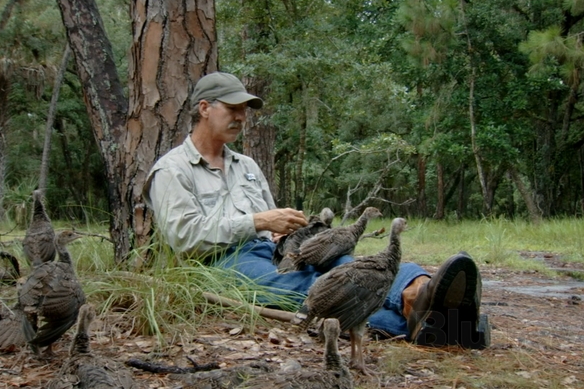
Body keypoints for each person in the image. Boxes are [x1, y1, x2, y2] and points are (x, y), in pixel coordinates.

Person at [143, 72, 489, 348]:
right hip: (220, 263)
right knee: (314, 288)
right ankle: (446, 323)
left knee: (352, 267)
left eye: (244, 110)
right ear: (204, 108)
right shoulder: (173, 170)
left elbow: (268, 220)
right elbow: (183, 238)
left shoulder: (245, 165)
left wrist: (285, 229)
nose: (241, 117)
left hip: (277, 252)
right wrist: (260, 220)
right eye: (232, 108)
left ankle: (420, 291)